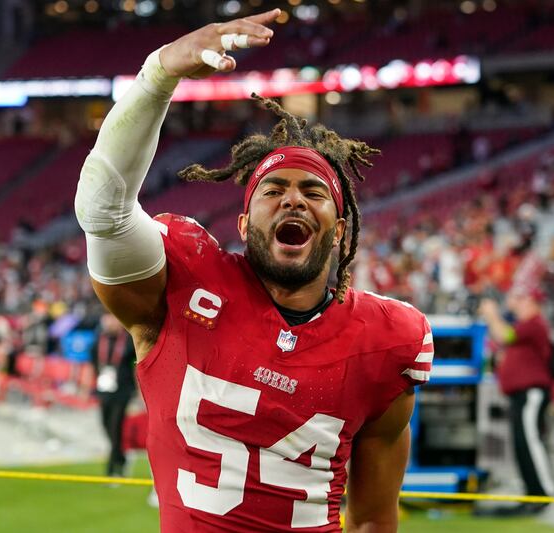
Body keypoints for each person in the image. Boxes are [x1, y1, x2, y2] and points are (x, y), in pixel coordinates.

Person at [74, 9, 434, 532]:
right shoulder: (182, 284)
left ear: (338, 232)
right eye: (274, 191)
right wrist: (159, 75)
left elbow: (374, 521)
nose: (294, 200)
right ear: (244, 224)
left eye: (314, 192)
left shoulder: (386, 340)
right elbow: (103, 209)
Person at [477, 286, 554, 516]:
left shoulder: (534, 324)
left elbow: (505, 335)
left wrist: (492, 314)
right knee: (522, 445)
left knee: (531, 443)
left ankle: (548, 492)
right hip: (520, 395)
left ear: (533, 303)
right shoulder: (526, 326)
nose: (516, 303)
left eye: (522, 299)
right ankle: (533, 493)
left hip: (531, 393)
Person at [91, 313, 137, 478]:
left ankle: (112, 470)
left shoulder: (128, 341)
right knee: (105, 425)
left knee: (115, 427)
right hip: (104, 390)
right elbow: (93, 363)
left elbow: (137, 363)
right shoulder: (99, 340)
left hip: (123, 391)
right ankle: (122, 457)